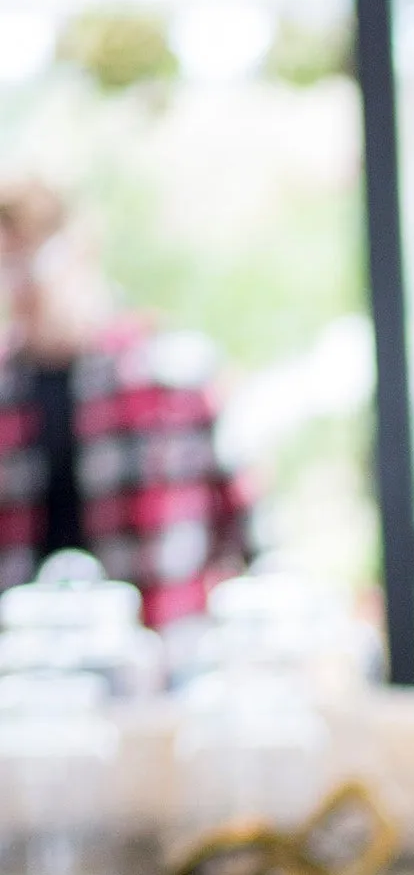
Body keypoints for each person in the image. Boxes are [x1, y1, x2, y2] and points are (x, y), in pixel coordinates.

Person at [0, 177, 249, 620]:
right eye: (6, 264)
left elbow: (249, 534)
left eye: (32, 261)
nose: (19, 286)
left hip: (162, 662)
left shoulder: (174, 376)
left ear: (80, 252)